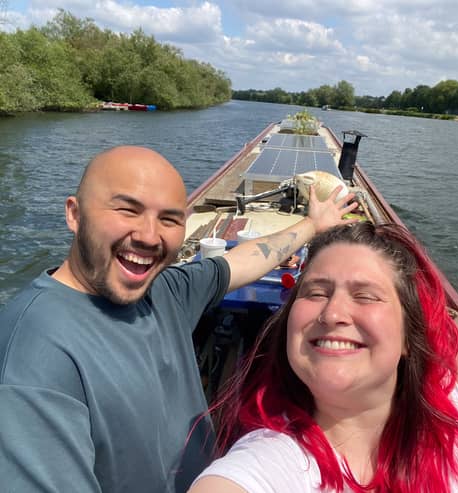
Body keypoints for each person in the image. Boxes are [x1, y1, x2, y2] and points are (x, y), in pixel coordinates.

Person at [189, 48, 458, 493]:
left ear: (410, 338)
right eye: (315, 291)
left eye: (366, 295)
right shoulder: (263, 466)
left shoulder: (446, 403)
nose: (333, 311)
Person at [0, 145, 357, 493]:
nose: (149, 236)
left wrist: (313, 224)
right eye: (127, 210)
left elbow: (241, 261)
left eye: (169, 219)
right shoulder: (33, 356)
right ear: (75, 215)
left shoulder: (164, 292)